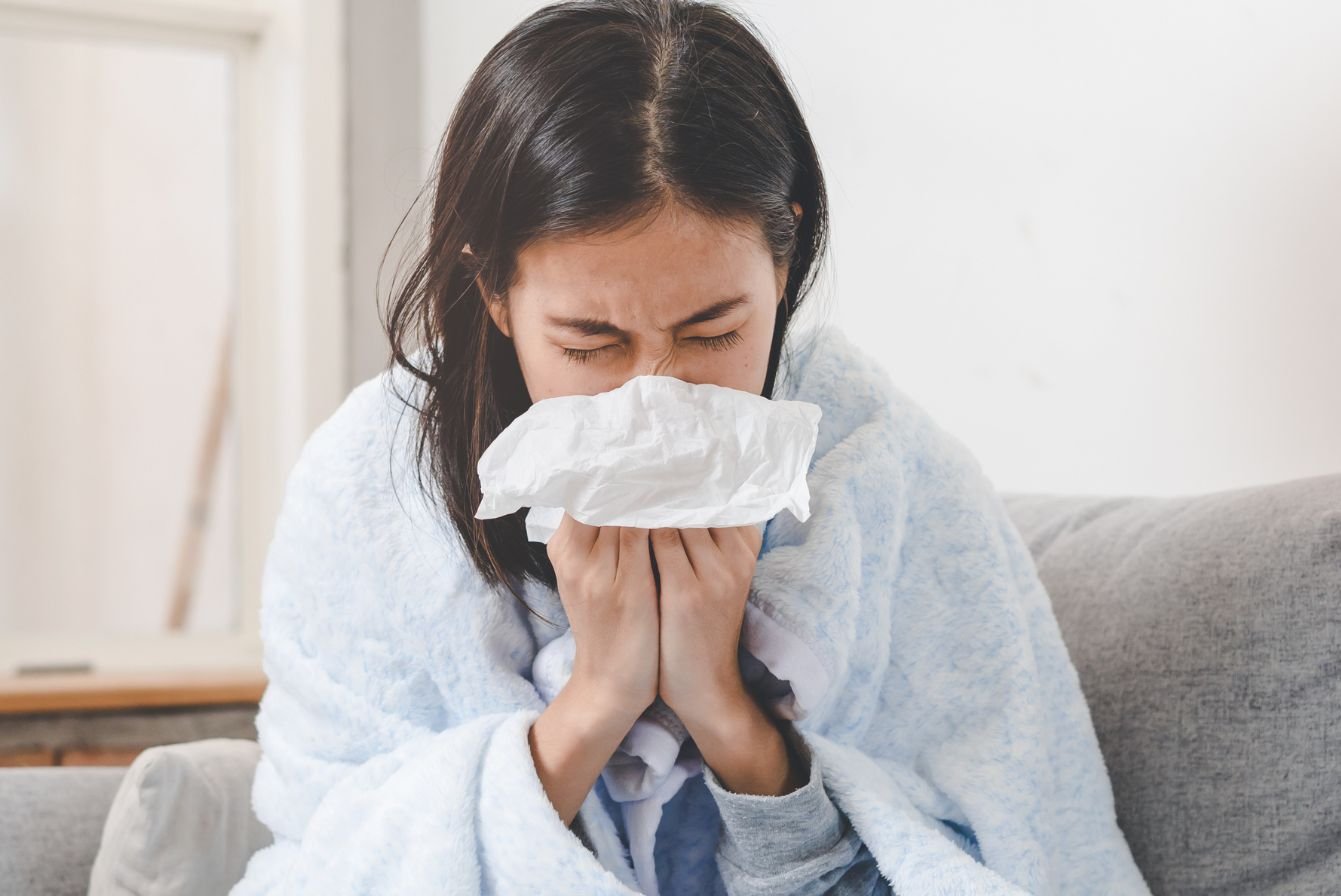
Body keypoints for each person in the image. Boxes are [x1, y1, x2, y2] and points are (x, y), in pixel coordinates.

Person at [232, 1, 1147, 893]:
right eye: (590, 344)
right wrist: (599, 698)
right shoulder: (369, 486)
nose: (655, 401)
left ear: (782, 266)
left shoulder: (881, 469)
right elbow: (334, 860)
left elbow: (1011, 844)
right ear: (496, 291)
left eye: (713, 334)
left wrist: (721, 707)